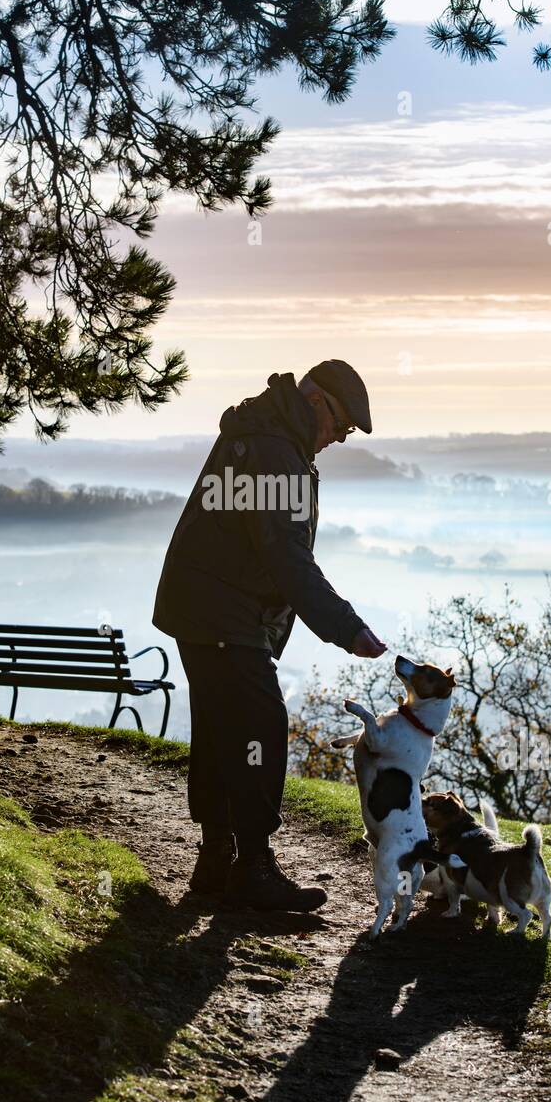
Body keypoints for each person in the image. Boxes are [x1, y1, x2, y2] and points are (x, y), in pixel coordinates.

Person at [152, 360, 386, 912]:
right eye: (341, 427)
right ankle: (253, 867)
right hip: (222, 612)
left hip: (201, 606)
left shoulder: (262, 436)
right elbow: (288, 558)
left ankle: (215, 863)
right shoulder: (275, 451)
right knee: (260, 725)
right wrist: (345, 626)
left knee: (220, 729)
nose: (338, 439)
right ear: (316, 403)